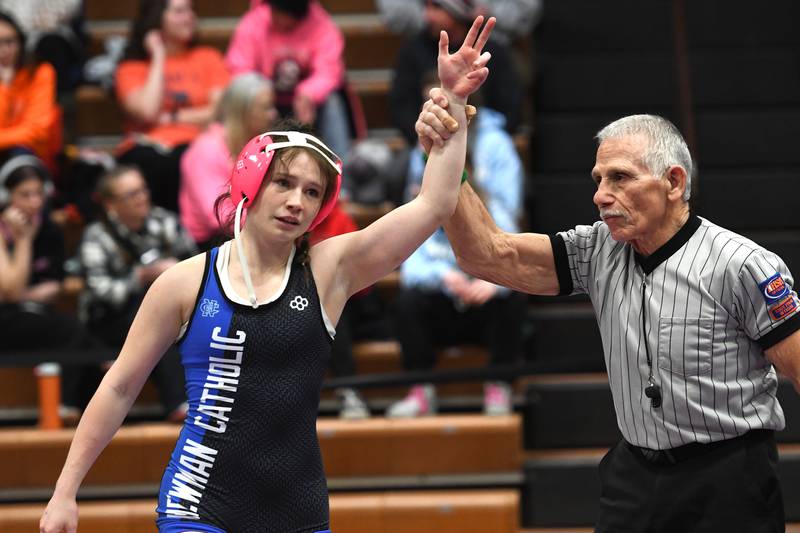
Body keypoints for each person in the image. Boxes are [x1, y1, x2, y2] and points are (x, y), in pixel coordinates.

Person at [39, 15, 495, 533]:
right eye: (284, 183)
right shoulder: (184, 283)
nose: (297, 201)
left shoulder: (329, 271)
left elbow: (435, 203)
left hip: (297, 511)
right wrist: (64, 492)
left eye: (312, 192)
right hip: (198, 506)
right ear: (249, 182)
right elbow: (120, 387)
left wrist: (453, 102)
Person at [417, 102, 800, 530]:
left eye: (619, 177)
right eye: (598, 180)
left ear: (673, 182)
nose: (600, 195)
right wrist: (446, 155)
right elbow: (486, 254)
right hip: (634, 476)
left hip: (729, 478)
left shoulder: (742, 264)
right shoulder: (598, 249)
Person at [387, 75, 525, 418]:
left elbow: (509, 238)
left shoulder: (493, 154)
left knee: (513, 297)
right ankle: (421, 389)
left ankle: (499, 386)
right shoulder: (425, 157)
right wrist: (443, 277)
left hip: (483, 290)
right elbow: (412, 256)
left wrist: (490, 282)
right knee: (406, 301)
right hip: (443, 291)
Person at [67, 165, 196, 421]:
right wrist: (141, 276)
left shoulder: (165, 222)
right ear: (111, 204)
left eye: (143, 190)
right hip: (109, 320)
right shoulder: (97, 236)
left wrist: (175, 273)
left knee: (171, 313)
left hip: (164, 313)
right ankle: (177, 402)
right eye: (132, 194)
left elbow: (196, 265)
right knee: (157, 313)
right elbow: (101, 292)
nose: (142, 198)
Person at [0, 155, 101, 412]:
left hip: (31, 314)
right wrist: (23, 240)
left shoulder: (50, 230)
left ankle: (76, 405)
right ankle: (70, 405)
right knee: (74, 332)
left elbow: (53, 288)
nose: (35, 202)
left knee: (76, 333)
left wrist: (19, 295)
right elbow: (10, 288)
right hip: (5, 320)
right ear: (6, 196)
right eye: (25, 194)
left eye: (38, 193)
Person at [115, 0, 229, 212]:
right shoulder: (132, 68)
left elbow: (220, 111)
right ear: (157, 18)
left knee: (188, 158)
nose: (190, 16)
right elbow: (147, 112)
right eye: (179, 11)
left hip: (194, 145)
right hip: (147, 150)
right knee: (149, 162)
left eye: (191, 10)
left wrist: (173, 117)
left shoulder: (208, 58)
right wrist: (158, 56)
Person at [225, 0, 353, 159]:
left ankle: (341, 167)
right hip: (267, 101)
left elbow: (330, 70)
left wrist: (309, 92)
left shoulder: (322, 25)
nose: (277, 20)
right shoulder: (253, 23)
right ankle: (247, 162)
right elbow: (240, 70)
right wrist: (264, 92)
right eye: (274, 13)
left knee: (332, 101)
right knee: (245, 100)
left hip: (308, 105)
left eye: (283, 18)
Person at [389, 0, 522, 146]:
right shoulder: (413, 51)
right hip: (429, 140)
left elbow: (510, 107)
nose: (427, 16)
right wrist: (424, 138)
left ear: (457, 12)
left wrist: (483, 139)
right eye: (426, 7)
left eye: (437, 7)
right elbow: (401, 106)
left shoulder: (492, 52)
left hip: (482, 143)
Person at [180, 72, 278, 249]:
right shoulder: (206, 150)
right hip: (210, 246)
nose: (272, 114)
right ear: (243, 112)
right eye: (265, 107)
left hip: (246, 233)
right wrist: (272, 219)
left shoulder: (256, 144)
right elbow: (218, 217)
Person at [0, 11, 60, 169]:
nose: (3, 51)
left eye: (9, 42)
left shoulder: (41, 72)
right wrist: (4, 87)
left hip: (29, 154)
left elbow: (36, 132)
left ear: (21, 42)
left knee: (20, 155)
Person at [378, 0, 541, 45]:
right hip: (428, 48)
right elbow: (393, 12)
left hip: (493, 47)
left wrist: (486, 10)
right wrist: (436, 14)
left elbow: (527, 11)